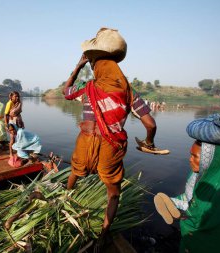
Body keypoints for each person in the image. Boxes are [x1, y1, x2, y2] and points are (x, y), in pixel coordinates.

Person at [62, 28, 158, 237]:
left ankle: (64, 202)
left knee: (75, 172)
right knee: (113, 194)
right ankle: (104, 234)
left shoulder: (89, 87)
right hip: (110, 146)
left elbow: (65, 92)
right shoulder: (128, 91)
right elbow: (150, 124)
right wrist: (149, 143)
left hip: (86, 141)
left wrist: (78, 66)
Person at [154, 113, 220, 253]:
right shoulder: (198, 176)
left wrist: (183, 215)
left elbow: (203, 221)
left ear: (211, 161)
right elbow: (192, 199)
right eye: (190, 154)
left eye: (195, 156)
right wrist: (172, 202)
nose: (190, 159)